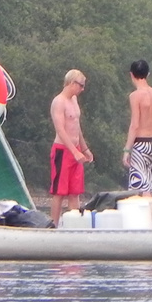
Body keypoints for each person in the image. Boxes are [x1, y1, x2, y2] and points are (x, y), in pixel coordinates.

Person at [49, 69, 93, 226]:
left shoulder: (74, 100)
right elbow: (60, 129)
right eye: (80, 85)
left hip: (76, 150)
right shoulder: (59, 101)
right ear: (72, 83)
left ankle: (74, 224)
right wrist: (73, 152)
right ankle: (53, 225)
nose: (82, 89)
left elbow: (76, 125)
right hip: (63, 150)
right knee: (59, 192)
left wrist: (84, 148)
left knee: (75, 191)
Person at [123, 59, 152, 196]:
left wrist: (127, 150)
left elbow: (135, 125)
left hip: (140, 144)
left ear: (131, 74)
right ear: (148, 74)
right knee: (151, 187)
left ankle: (143, 217)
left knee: (141, 187)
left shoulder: (135, 96)